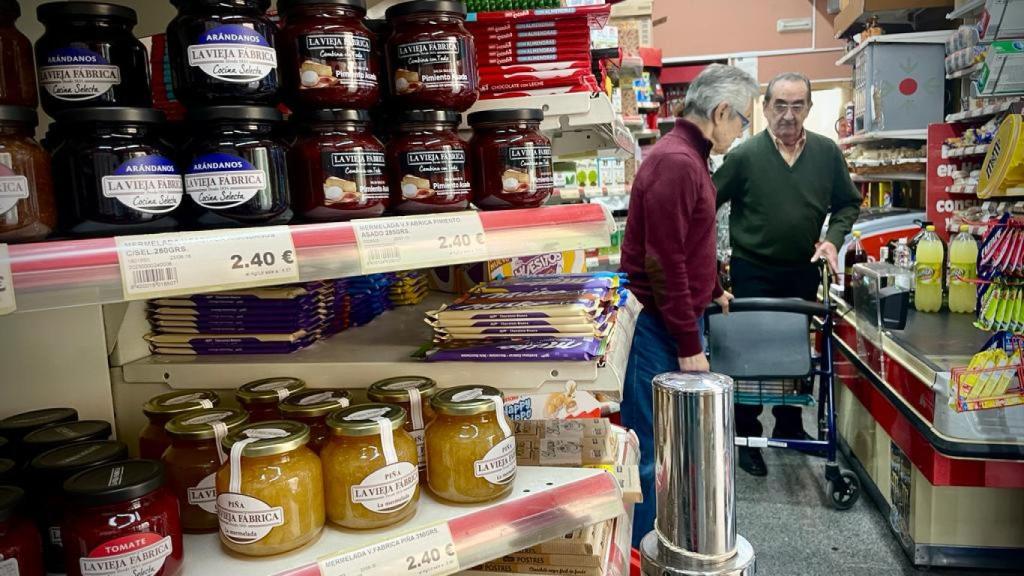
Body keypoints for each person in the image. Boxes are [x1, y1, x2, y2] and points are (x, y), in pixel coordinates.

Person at [619, 63, 758, 547]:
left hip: (675, 321)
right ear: (721, 112)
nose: (742, 132)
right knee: (650, 451)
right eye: (742, 120)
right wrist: (687, 343)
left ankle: (662, 544)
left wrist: (712, 288)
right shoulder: (676, 162)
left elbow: (688, 243)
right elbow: (662, 261)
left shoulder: (689, 159)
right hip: (657, 330)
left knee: (670, 450)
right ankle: (639, 556)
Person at [714, 72, 862, 477]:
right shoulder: (745, 157)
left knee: (794, 349)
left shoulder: (828, 154)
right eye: (780, 105)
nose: (788, 114)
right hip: (752, 270)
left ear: (809, 109)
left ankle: (790, 423)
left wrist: (832, 238)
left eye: (798, 105)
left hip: (801, 269)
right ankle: (746, 434)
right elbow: (706, 200)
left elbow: (848, 204)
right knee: (750, 354)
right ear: (765, 108)